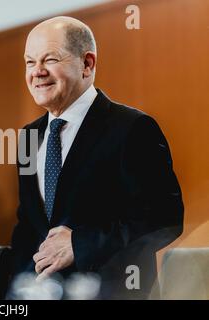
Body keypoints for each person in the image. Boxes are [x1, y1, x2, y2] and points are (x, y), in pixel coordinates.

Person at [10, 16, 184, 299]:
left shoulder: (132, 128)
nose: (37, 72)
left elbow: (164, 218)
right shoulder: (29, 137)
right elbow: (27, 227)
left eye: (50, 59)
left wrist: (80, 244)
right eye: (30, 62)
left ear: (87, 64)